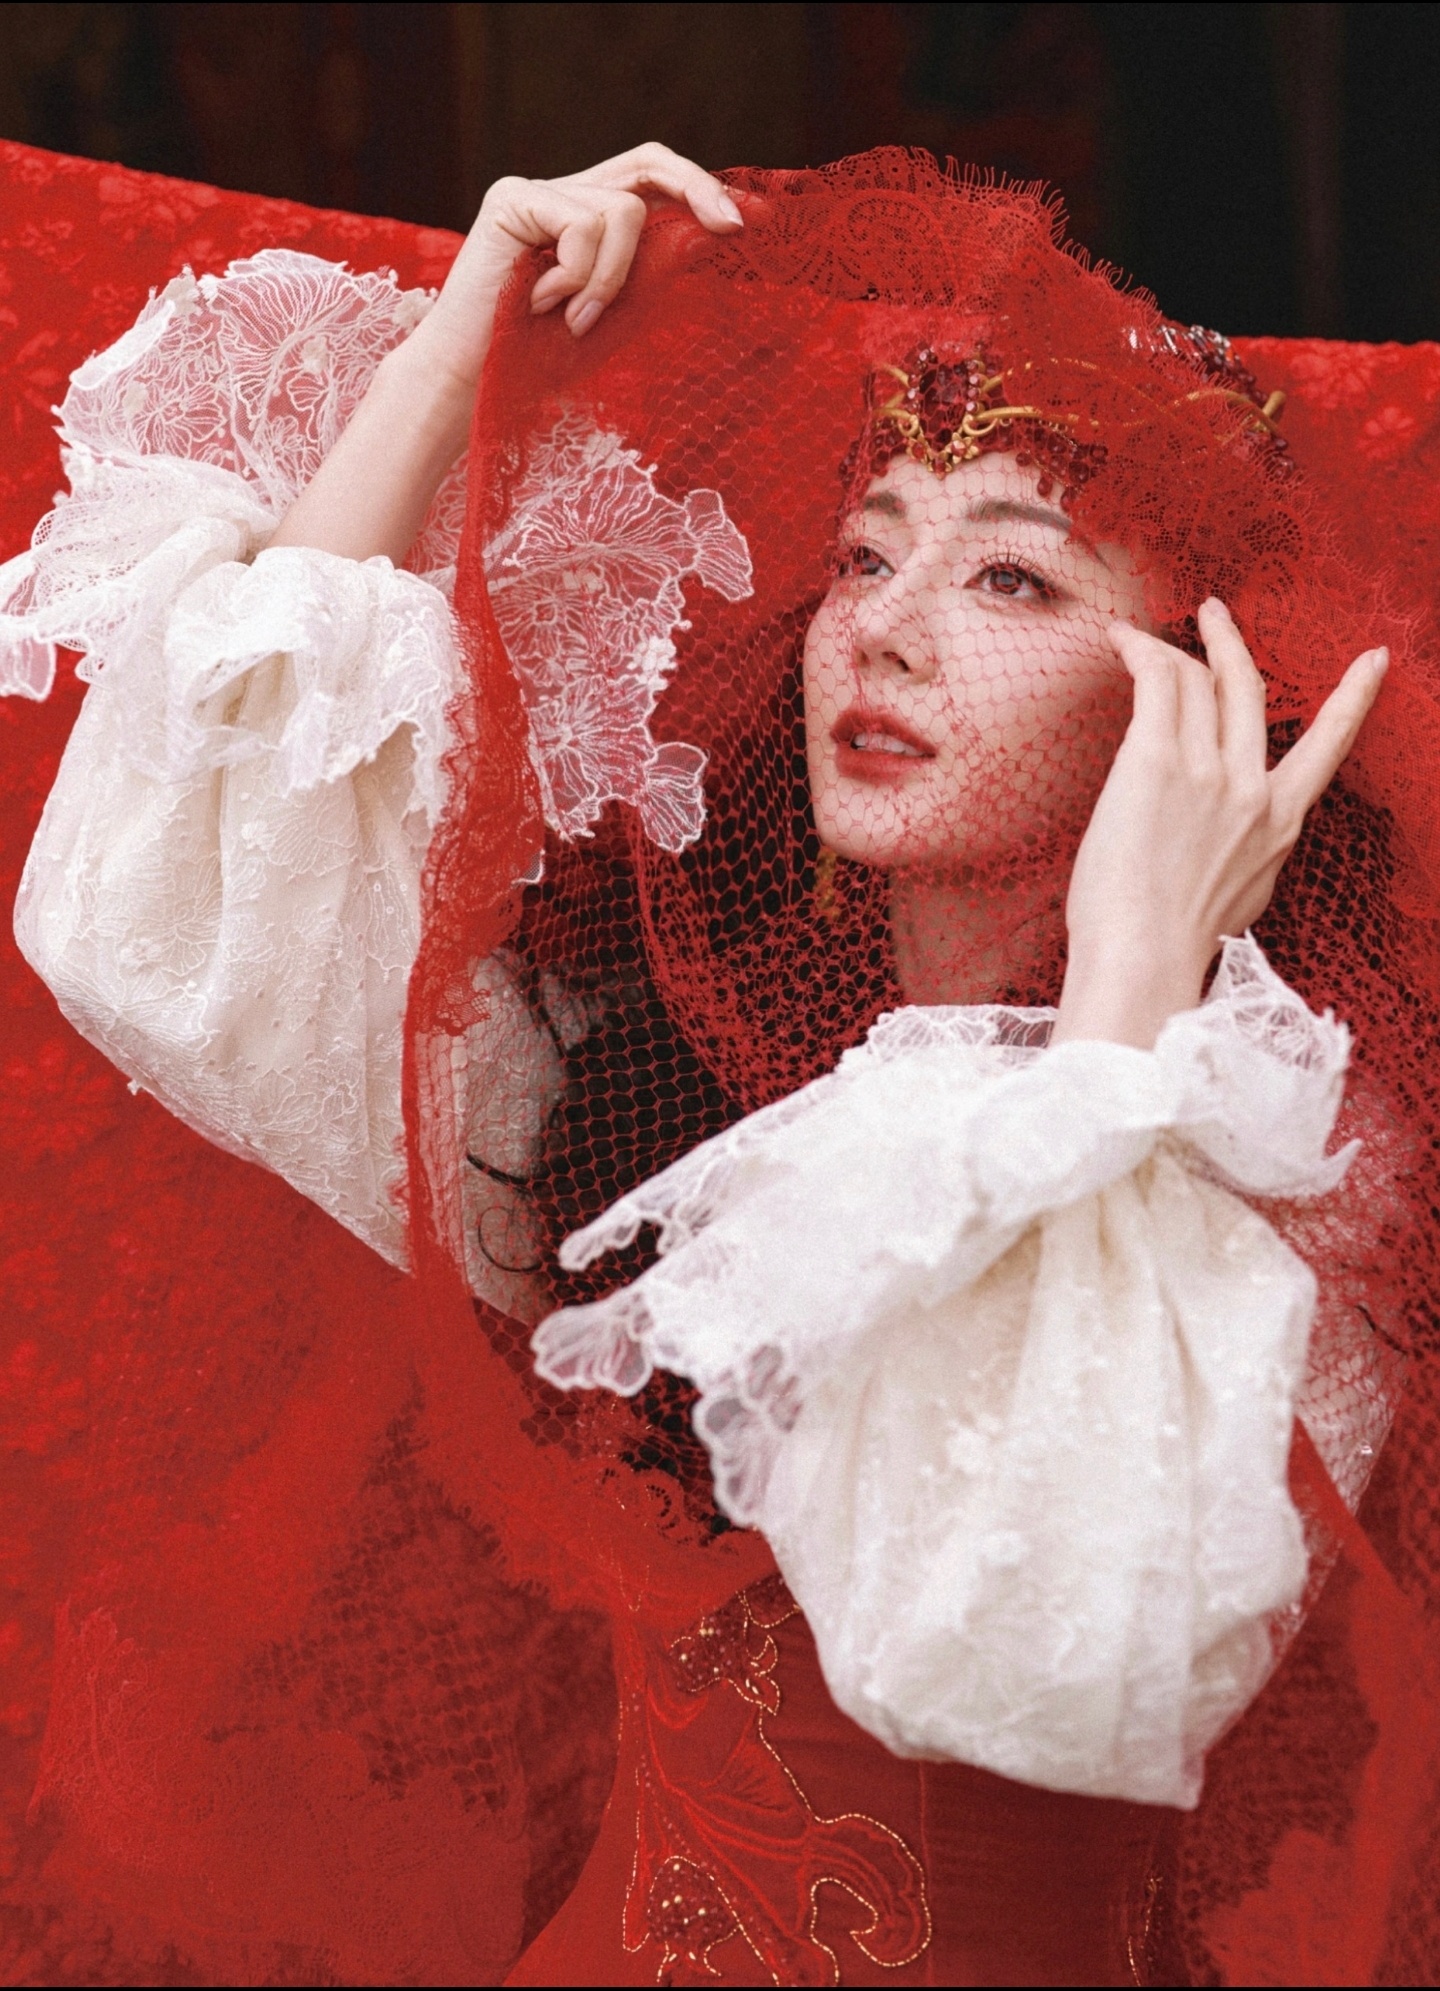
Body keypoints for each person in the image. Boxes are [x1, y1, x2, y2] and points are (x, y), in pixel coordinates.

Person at [4, 143, 1438, 1985]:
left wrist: (1133, 1009)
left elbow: (1028, 1663)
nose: (884, 626)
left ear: (1211, 695)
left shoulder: (1277, 1152)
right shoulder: (658, 1103)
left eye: (1012, 577)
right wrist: (456, 359)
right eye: (865, 552)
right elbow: (165, 933)